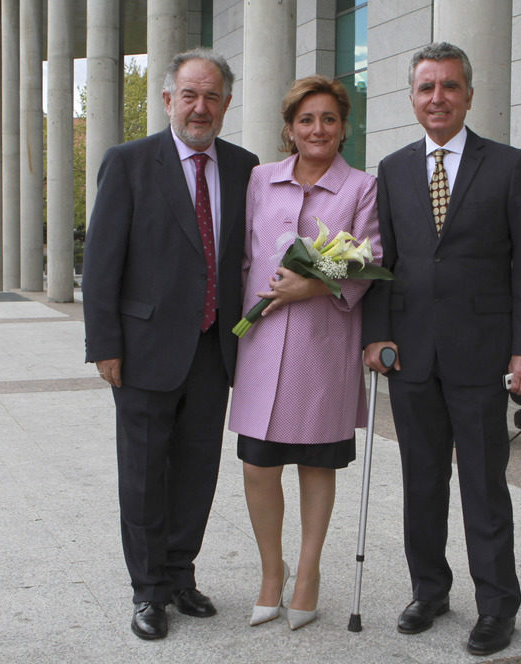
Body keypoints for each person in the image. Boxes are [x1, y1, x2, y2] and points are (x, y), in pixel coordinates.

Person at [361, 42, 521, 657]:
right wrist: (377, 334)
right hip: (411, 355)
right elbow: (380, 261)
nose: (436, 97)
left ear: (469, 94)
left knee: (483, 485)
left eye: (448, 86)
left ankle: (497, 605)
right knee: (421, 480)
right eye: (425, 87)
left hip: (482, 353)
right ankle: (430, 589)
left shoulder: (509, 166)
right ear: (412, 98)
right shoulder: (390, 170)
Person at [82, 49, 259, 640]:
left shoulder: (244, 167)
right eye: (189, 95)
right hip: (143, 350)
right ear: (168, 101)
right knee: (143, 474)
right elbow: (102, 263)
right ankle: (147, 590)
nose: (200, 107)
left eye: (212, 96)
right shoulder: (129, 163)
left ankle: (181, 575)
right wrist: (105, 345)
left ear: (227, 104)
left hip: (215, 350)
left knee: (196, 471)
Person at [228, 75, 380, 631]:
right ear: (290, 129)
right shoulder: (259, 180)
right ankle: (273, 571)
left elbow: (368, 262)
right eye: (306, 120)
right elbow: (242, 255)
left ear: (343, 127)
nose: (318, 129)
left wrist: (312, 284)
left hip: (324, 347)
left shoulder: (362, 187)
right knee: (258, 465)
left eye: (329, 119)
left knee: (317, 464)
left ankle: (309, 573)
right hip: (264, 342)